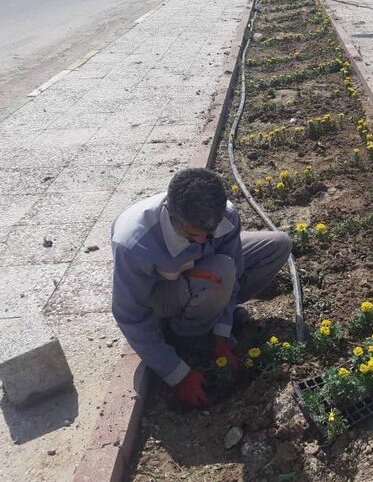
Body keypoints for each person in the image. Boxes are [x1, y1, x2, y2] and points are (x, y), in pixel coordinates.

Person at [111, 168, 291, 408]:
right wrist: (177, 374)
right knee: (219, 272)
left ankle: (210, 316)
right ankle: (185, 338)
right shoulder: (134, 245)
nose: (202, 241)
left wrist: (222, 335)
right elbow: (130, 316)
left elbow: (234, 272)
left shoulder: (223, 216)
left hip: (206, 275)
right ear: (169, 212)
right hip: (161, 294)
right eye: (192, 234)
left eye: (210, 233)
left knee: (277, 246)